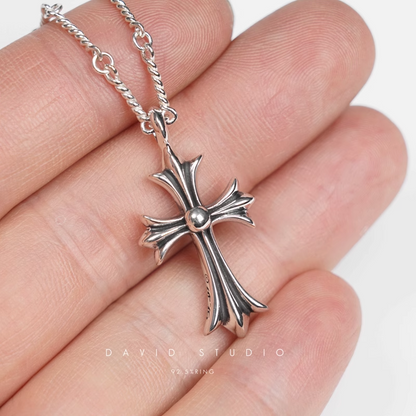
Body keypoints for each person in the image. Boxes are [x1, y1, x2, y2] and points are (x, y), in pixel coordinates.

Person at [0, 0, 407, 414]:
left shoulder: (203, 202)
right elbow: (169, 228)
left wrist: (210, 213)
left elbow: (221, 208)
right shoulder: (182, 210)